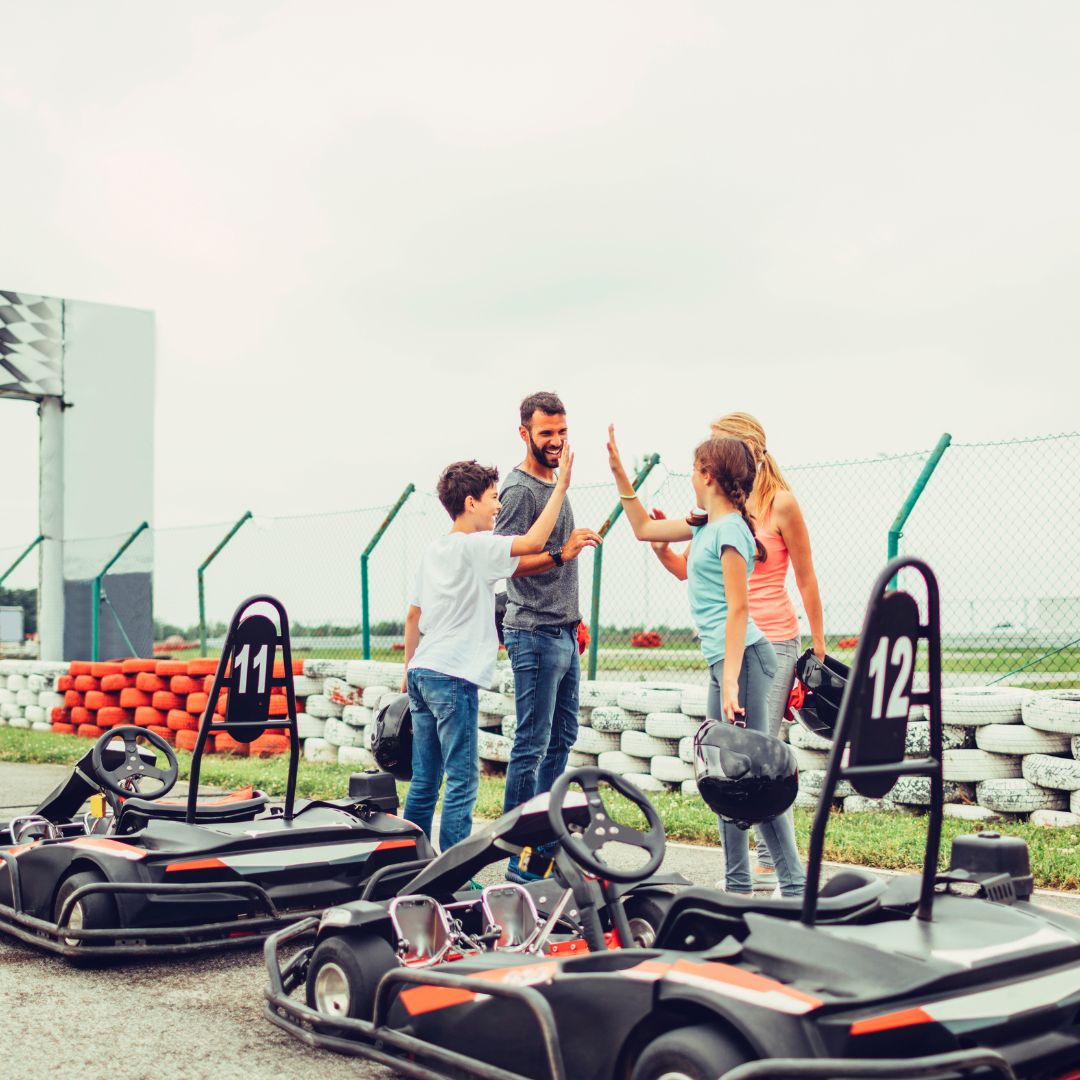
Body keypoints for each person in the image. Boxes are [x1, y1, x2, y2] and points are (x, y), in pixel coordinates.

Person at [607, 425, 805, 897]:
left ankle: (795, 886)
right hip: (727, 664)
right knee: (722, 773)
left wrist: (732, 680)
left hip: (748, 663)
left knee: (755, 775)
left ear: (710, 475)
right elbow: (643, 529)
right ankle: (737, 885)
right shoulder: (704, 523)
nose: (690, 477)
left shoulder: (734, 530)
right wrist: (619, 472)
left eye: (695, 470)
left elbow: (740, 609)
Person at [648, 412, 824, 890]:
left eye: (718, 444)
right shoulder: (718, 513)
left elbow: (806, 579)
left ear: (748, 450)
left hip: (771, 645)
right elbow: (690, 571)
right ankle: (745, 879)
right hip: (730, 649)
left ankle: (783, 877)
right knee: (727, 765)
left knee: (754, 764)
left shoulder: (781, 504)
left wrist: (820, 647)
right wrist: (663, 549)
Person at [400, 449, 575, 852]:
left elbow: (413, 617)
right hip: (454, 676)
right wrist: (561, 485)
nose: (499, 506)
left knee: (426, 778)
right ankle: (452, 875)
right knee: (463, 778)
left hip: (423, 672)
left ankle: (408, 861)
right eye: (494, 497)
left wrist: (408, 674)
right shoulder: (476, 546)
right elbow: (533, 540)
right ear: (470, 502)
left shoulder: (432, 551)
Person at [494, 391, 601, 882]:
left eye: (561, 431)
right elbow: (508, 561)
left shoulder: (556, 482)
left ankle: (545, 843)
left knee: (561, 740)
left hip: (562, 632)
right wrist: (563, 553)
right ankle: (512, 852)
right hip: (532, 634)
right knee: (532, 745)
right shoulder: (518, 491)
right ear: (525, 434)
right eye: (546, 433)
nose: (556, 441)